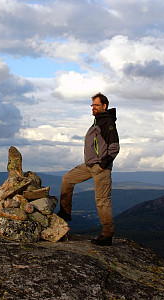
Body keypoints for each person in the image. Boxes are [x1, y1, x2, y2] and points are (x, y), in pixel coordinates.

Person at [57, 92, 120, 246]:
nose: (93, 108)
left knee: (102, 202)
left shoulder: (107, 123)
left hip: (100, 168)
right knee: (67, 179)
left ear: (104, 106)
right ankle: (65, 213)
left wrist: (101, 165)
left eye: (96, 105)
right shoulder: (97, 122)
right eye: (92, 105)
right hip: (89, 165)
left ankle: (107, 235)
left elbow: (114, 147)